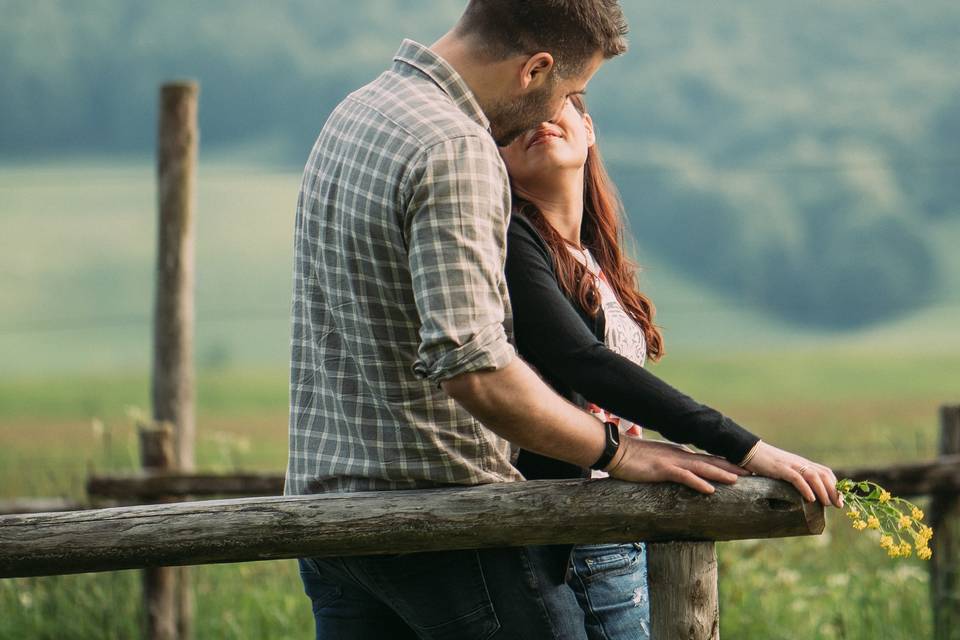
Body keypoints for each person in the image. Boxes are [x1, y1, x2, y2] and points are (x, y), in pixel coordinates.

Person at [286, 1, 840, 638]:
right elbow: (478, 371)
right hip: (443, 520)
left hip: (329, 524)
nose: (561, 112)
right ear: (536, 69)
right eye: (569, 91)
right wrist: (620, 450)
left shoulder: (357, 112)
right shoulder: (456, 148)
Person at [499, 95, 844, 640]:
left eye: (553, 105)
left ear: (588, 129)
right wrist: (746, 446)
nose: (536, 121)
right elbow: (584, 363)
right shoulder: (512, 243)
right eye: (513, 121)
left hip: (616, 522)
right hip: (572, 528)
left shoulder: (591, 256)